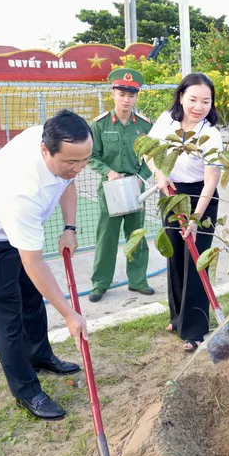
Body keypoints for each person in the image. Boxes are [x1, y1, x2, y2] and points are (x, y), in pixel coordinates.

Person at [0, 110, 91, 421]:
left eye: (84, 160)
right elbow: (33, 261)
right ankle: (26, 391)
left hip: (14, 233)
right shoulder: (22, 189)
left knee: (31, 298)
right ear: (46, 150)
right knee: (8, 316)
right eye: (72, 161)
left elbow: (68, 181)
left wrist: (70, 228)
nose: (79, 168)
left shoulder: (56, 145)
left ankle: (40, 355)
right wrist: (69, 314)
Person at [147, 73, 223, 352]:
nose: (198, 106)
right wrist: (159, 174)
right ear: (181, 97)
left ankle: (195, 329)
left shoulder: (210, 134)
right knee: (176, 255)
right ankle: (177, 318)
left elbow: (211, 181)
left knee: (196, 260)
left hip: (200, 198)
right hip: (170, 193)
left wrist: (194, 219)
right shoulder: (166, 120)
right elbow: (150, 151)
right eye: (193, 99)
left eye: (206, 101)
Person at [87, 68, 156, 302]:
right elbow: (91, 156)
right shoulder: (100, 124)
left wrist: (142, 177)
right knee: (107, 236)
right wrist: (109, 172)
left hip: (136, 187)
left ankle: (138, 281)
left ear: (137, 97)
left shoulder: (145, 126)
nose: (127, 100)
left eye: (131, 95)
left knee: (136, 234)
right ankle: (100, 283)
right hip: (111, 189)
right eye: (122, 94)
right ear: (113, 94)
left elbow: (152, 157)